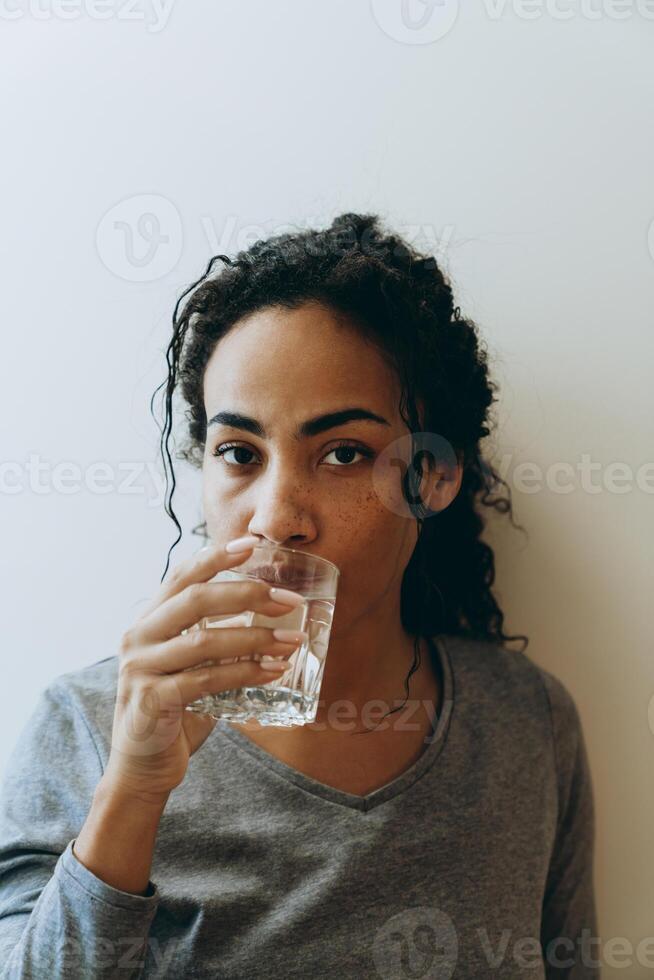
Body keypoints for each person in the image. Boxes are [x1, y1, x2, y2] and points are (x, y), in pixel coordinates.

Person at [0, 213, 600, 977]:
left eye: (343, 453)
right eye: (239, 453)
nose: (277, 517)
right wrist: (133, 791)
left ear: (435, 477)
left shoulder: (526, 723)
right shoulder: (84, 728)